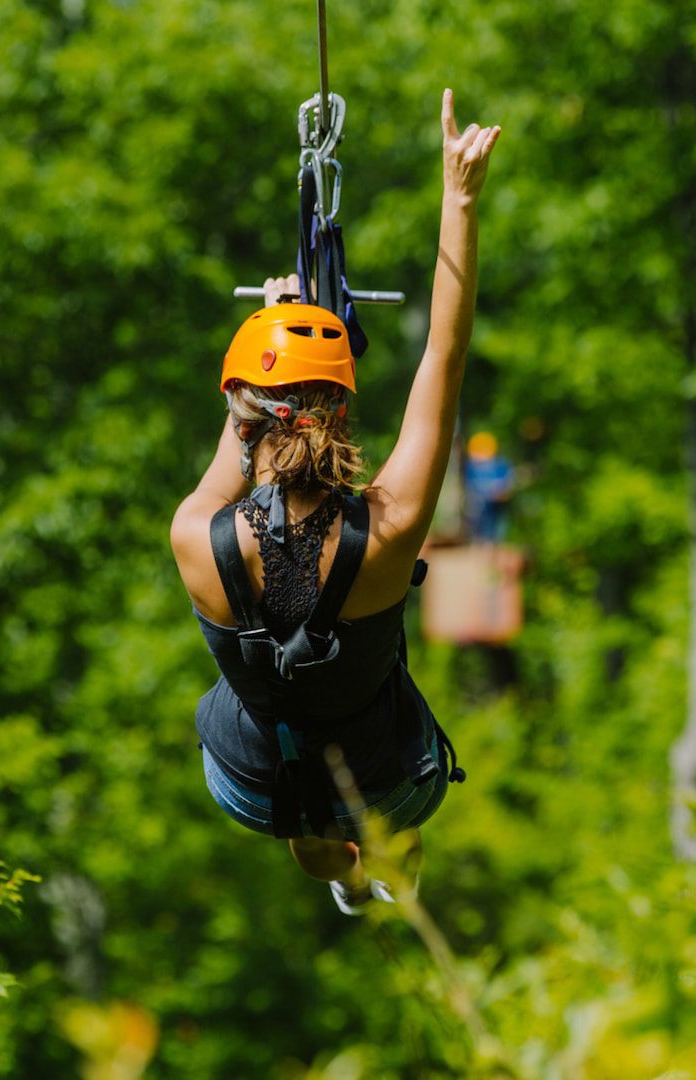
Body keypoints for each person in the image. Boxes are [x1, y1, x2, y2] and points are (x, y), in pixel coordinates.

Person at [170, 90, 501, 915]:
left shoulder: (195, 538)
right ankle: (389, 858)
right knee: (381, 776)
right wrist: (458, 201)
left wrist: (273, 326)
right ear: (339, 411)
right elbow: (443, 360)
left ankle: (338, 868)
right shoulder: (387, 529)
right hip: (389, 777)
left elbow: (238, 443)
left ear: (239, 409)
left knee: (282, 753)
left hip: (251, 784)